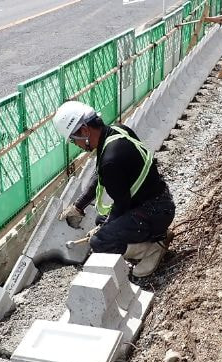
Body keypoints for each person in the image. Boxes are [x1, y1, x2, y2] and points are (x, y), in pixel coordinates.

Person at [52, 100, 175, 277]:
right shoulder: (117, 132)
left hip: (153, 212)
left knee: (100, 242)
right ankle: (155, 235)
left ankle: (152, 249)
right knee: (100, 221)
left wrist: (104, 230)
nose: (76, 145)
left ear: (85, 131)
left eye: (74, 140)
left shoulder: (111, 160)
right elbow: (100, 175)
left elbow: (121, 203)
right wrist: (79, 206)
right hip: (160, 202)